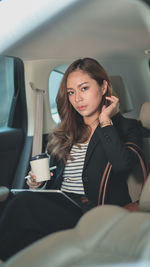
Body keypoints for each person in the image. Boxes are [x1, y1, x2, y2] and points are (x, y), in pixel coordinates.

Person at [0, 58, 144, 261]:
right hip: (62, 202)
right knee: (18, 205)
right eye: (71, 92)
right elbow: (61, 177)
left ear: (103, 87)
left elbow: (122, 164)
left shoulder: (127, 127)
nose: (77, 99)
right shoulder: (68, 131)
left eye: (84, 88)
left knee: (22, 205)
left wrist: (105, 121)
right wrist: (39, 183)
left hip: (92, 211)